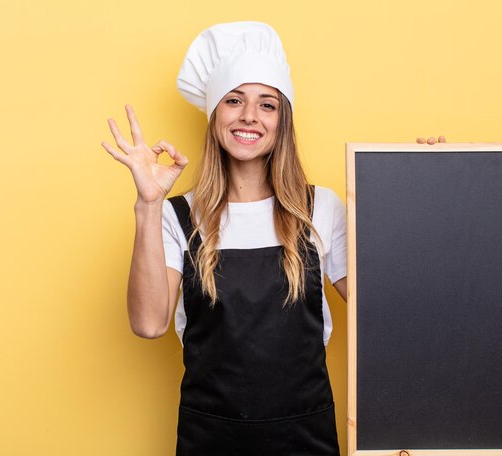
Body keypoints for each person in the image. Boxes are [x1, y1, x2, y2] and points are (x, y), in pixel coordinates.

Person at [102, 22, 347, 455]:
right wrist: (148, 204)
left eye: (266, 105)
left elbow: (389, 312)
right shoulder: (179, 215)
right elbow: (148, 323)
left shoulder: (319, 209)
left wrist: (413, 184)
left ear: (281, 121)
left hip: (306, 439)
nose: (249, 116)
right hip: (210, 441)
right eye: (234, 100)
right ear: (216, 113)